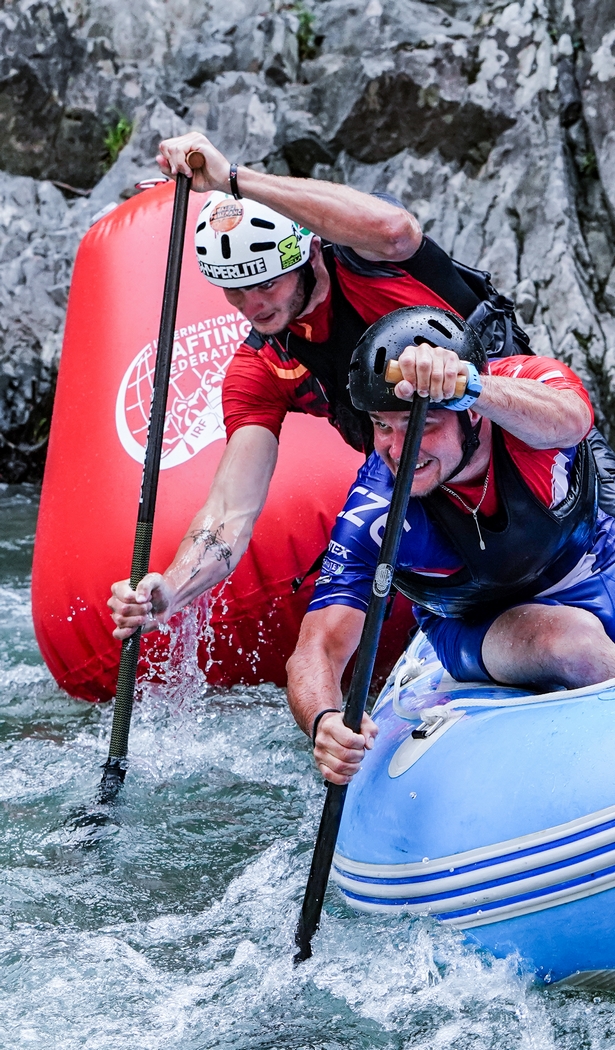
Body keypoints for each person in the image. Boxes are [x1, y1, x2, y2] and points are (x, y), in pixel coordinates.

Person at [109, 131, 522, 639]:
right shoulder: (259, 368)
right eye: (235, 292)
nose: (254, 305)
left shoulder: (373, 261)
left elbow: (396, 229)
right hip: (431, 490)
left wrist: (233, 181)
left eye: (266, 283)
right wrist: (171, 589)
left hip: (525, 448)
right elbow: (229, 511)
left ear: (306, 256)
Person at [285, 306, 615, 786]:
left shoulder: (516, 391)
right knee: (575, 645)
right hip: (481, 625)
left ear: (472, 419)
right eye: (383, 425)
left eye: (424, 424)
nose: (400, 450)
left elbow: (572, 419)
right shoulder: (378, 511)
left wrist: (468, 387)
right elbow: (317, 647)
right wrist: (324, 720)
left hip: (596, 562)